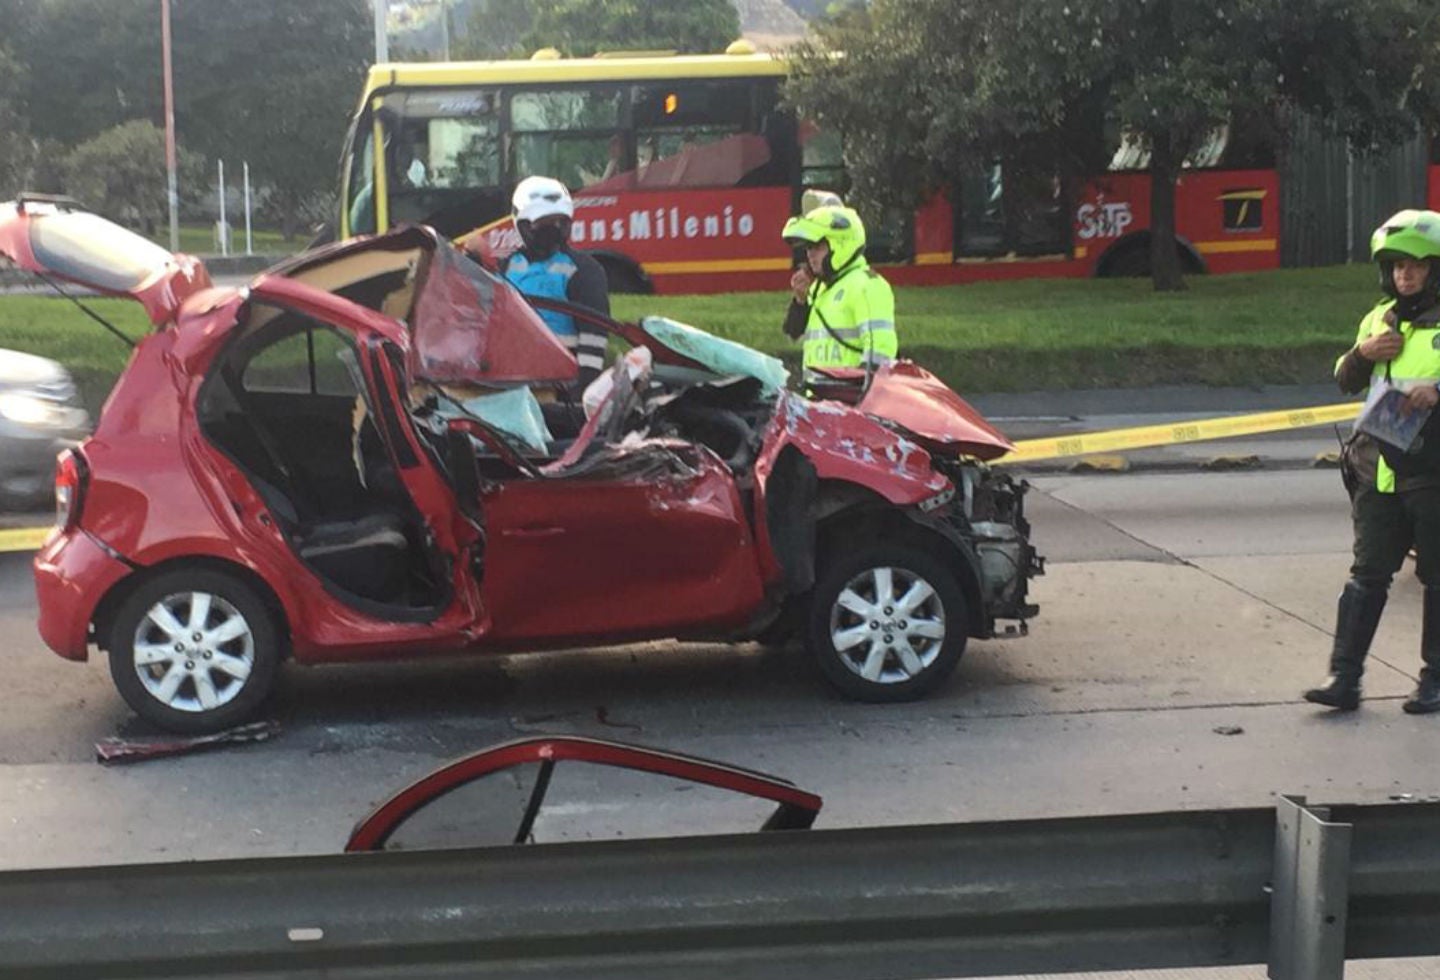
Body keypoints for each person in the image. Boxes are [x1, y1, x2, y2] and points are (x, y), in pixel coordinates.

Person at [1304, 208, 1440, 715]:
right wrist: (1364, 352)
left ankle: (1434, 680)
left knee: (1438, 578)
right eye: (1398, 265)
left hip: (1431, 470)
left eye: (1418, 265)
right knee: (1367, 575)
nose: (1406, 274)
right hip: (1377, 469)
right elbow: (1345, 376)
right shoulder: (1377, 316)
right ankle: (1344, 677)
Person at [501, 176, 611, 394]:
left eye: (559, 223)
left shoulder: (584, 270)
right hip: (511, 384)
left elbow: (594, 337)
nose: (552, 229)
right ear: (523, 225)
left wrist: (581, 392)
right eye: (542, 224)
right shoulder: (506, 267)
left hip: (561, 387)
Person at [780, 203, 897, 385]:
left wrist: (862, 396)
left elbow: (880, 351)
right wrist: (800, 300)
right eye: (808, 248)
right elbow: (793, 332)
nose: (810, 255)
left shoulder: (867, 285)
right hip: (819, 405)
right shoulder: (822, 287)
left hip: (849, 404)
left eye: (817, 246)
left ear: (841, 244)